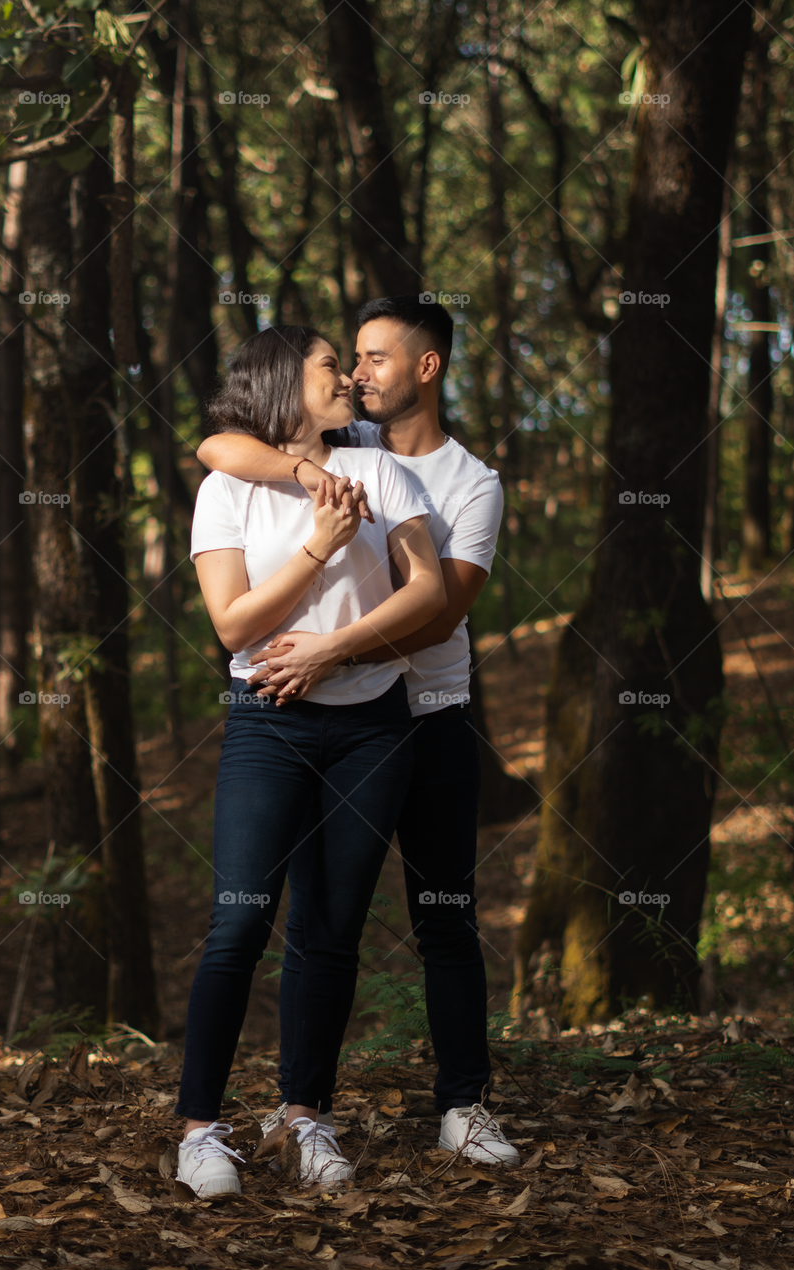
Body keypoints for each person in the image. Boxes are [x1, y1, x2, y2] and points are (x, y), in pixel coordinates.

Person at [196, 295, 519, 1167]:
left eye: (375, 358)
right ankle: (304, 1111)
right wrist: (305, 479)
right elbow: (219, 445)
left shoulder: (471, 482)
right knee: (316, 921)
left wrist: (329, 654)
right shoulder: (353, 451)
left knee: (444, 914)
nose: (357, 373)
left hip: (427, 716)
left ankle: (465, 1107)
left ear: (427, 368)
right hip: (333, 719)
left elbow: (441, 610)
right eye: (349, 359)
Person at [176, 324, 446, 1196]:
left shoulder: (379, 466)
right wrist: (318, 545)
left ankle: (305, 1117)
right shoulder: (226, 490)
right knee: (240, 924)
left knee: (330, 935)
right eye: (332, 364)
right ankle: (201, 1129)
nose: (348, 377)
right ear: (284, 383)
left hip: (374, 727)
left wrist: (337, 651)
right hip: (267, 723)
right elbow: (234, 626)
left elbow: (429, 591)